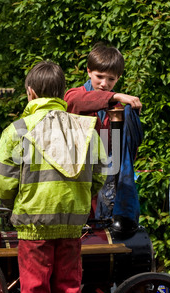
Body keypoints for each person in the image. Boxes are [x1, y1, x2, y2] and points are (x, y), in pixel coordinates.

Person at [0, 61, 107, 293]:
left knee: (35, 292)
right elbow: (101, 175)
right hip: (72, 224)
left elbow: (0, 180)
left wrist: (16, 204)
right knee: (70, 289)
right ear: (62, 93)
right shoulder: (87, 131)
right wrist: (79, 199)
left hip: (34, 226)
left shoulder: (17, 130)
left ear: (30, 92)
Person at [64, 43, 143, 236]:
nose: (104, 83)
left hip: (104, 185)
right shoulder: (75, 94)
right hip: (75, 182)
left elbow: (122, 151)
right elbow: (74, 102)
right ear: (89, 71)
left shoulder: (118, 107)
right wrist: (114, 96)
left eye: (111, 79)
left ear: (118, 78)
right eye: (99, 76)